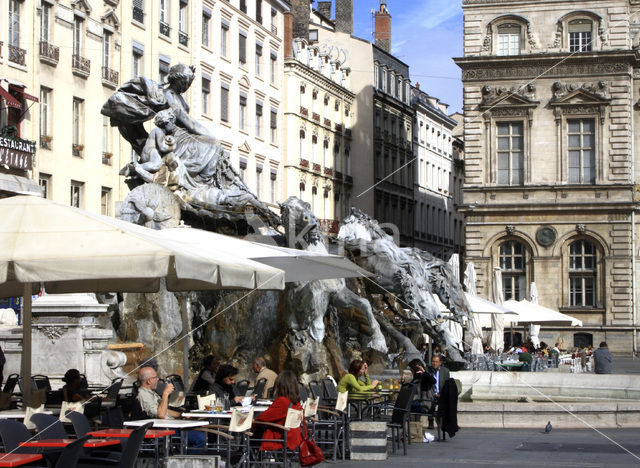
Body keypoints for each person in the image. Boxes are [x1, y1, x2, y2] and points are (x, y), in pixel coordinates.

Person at [136, 367, 205, 449]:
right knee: (200, 437)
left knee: (202, 431)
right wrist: (165, 394)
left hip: (170, 426)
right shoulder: (143, 395)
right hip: (162, 430)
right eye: (155, 377)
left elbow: (164, 410)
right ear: (149, 381)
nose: (158, 379)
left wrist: (181, 415)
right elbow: (161, 414)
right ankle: (185, 459)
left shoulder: (151, 393)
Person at [252, 370, 303, 451]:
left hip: (279, 438)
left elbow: (265, 417)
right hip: (293, 437)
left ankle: (242, 457)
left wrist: (253, 421)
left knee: (252, 430)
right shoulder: (296, 402)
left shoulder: (283, 401)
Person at [426, 355, 450, 429]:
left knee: (443, 405)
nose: (434, 363)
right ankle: (430, 421)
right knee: (430, 402)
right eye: (433, 361)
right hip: (431, 393)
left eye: (436, 362)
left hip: (441, 393)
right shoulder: (428, 370)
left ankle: (441, 422)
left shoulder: (445, 371)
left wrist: (441, 393)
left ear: (440, 363)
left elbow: (447, 385)